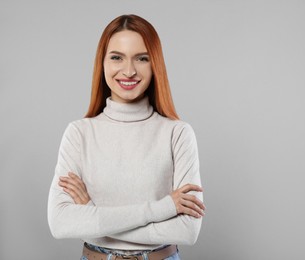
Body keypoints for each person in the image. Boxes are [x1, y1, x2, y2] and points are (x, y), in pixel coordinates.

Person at [47, 14, 205, 260]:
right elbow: (59, 223)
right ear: (102, 63)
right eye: (116, 57)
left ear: (155, 65)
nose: (129, 71)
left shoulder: (177, 133)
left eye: (142, 58)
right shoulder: (79, 133)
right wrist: (163, 208)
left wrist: (93, 218)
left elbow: (188, 230)